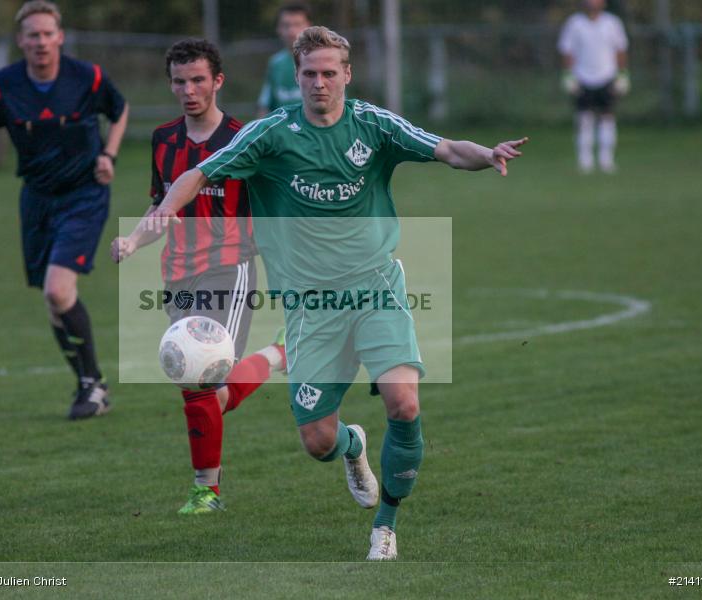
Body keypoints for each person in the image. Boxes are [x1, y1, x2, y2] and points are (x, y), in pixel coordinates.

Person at [133, 26, 527, 560]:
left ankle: (385, 526)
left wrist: (487, 153)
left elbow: (448, 150)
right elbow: (199, 174)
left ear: (347, 74)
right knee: (318, 441)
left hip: (374, 287)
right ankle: (352, 445)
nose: (318, 83)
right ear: (296, 77)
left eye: (328, 73)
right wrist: (163, 210)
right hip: (310, 306)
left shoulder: (373, 124)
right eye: (309, 74)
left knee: (404, 402)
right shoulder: (270, 134)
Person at [110, 40, 286, 515]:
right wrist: (133, 240)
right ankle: (277, 355)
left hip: (230, 267)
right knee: (202, 386)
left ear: (217, 81)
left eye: (198, 80)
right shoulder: (164, 139)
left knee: (198, 376)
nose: (189, 90)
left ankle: (206, 490)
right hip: (177, 272)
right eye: (180, 81)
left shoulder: (245, 137)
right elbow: (161, 206)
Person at [0, 0, 129, 420]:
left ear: (60, 37)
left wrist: (108, 154)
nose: (41, 41)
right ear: (21, 40)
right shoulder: (3, 85)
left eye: (48, 33)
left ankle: (91, 385)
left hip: (84, 195)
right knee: (55, 302)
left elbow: (119, 110)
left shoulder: (86, 77)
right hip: (36, 199)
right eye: (32, 34)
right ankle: (91, 383)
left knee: (58, 289)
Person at [558, 0, 629, 173]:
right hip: (583, 77)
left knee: (607, 118)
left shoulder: (612, 23)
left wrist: (622, 75)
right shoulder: (574, 23)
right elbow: (567, 51)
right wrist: (568, 75)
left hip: (607, 76)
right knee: (584, 119)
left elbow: (620, 50)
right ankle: (585, 161)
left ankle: (606, 160)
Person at [256, 2, 312, 117]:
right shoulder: (275, 63)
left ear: (309, 27)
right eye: (286, 25)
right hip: (283, 127)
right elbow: (264, 106)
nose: (291, 31)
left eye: (297, 24)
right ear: (278, 29)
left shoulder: (323, 59)